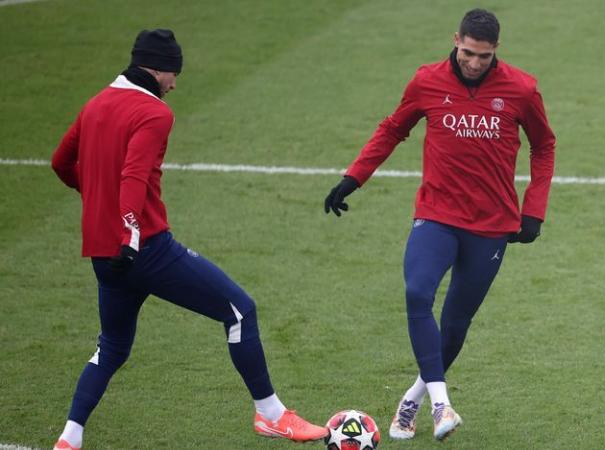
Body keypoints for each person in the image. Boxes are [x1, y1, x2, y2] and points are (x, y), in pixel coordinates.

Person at [50, 29, 327, 450]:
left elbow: (60, 162)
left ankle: (69, 438)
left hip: (104, 256)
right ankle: (271, 415)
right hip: (145, 250)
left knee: (112, 348)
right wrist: (130, 231)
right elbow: (134, 175)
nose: (174, 84)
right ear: (158, 68)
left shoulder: (94, 105)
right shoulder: (154, 113)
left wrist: (98, 203)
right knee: (239, 311)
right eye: (173, 74)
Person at [324, 9, 555, 441]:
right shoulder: (426, 81)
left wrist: (534, 209)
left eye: (483, 57)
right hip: (436, 215)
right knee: (417, 292)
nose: (473, 63)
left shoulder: (522, 89)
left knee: (454, 325)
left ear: (495, 51)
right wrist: (353, 177)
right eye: (467, 53)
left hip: (491, 226)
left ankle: (412, 399)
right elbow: (394, 129)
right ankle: (441, 403)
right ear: (456, 40)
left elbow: (544, 147)